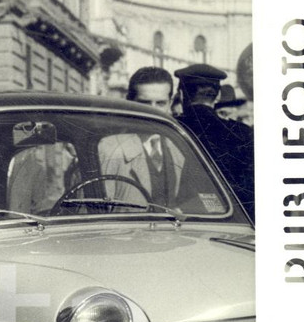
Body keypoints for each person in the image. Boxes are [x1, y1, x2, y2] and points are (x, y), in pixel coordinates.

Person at [173, 63, 254, 219]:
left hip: (182, 221)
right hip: (230, 222)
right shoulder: (241, 133)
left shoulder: (173, 128)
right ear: (217, 96)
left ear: (181, 94)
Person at [98, 67, 186, 203]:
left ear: (170, 103)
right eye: (145, 103)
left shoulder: (177, 149)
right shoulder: (109, 150)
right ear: (129, 103)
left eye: (160, 103)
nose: (153, 111)